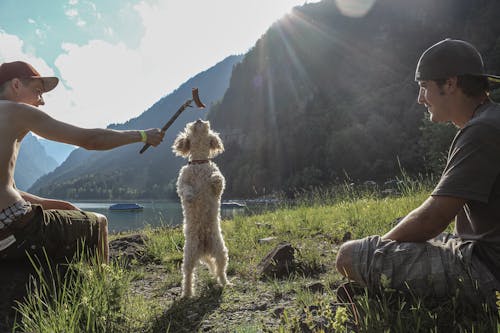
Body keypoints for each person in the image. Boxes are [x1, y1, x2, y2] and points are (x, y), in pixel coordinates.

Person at [336, 39, 500, 306]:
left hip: (489, 270)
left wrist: (380, 250)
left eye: (424, 87)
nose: (420, 99)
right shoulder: (490, 120)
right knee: (406, 227)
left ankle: (389, 295)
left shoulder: (481, 132)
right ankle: (389, 293)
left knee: (348, 256)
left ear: (450, 83)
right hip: (484, 254)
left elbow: (433, 218)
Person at [0, 61, 165, 263]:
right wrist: (142, 135)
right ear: (16, 85)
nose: (41, 101)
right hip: (13, 228)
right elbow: (91, 140)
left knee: (63, 217)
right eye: (37, 91)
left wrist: (55, 204)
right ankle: (103, 289)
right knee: (99, 223)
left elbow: (7, 188)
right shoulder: (16, 111)